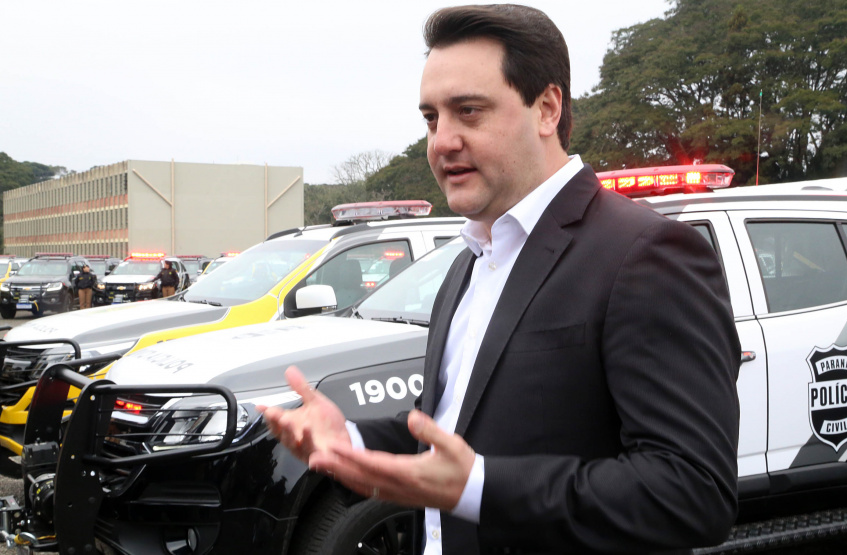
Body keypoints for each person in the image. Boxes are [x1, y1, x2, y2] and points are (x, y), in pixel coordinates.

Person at [260, 5, 741, 554]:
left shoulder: (646, 254)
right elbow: (457, 425)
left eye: (469, 111)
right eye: (431, 118)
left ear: (547, 109)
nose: (441, 141)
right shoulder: (469, 259)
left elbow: (691, 493)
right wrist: (351, 437)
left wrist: (480, 489)